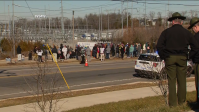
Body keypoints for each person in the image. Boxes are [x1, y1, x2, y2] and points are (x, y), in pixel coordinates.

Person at [156, 12, 199, 107]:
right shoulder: (186, 33)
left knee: (171, 80)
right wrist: (189, 56)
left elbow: (159, 46)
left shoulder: (166, 32)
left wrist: (164, 56)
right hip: (182, 57)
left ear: (172, 22)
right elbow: (195, 47)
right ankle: (182, 102)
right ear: (182, 22)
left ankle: (172, 104)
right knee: (182, 80)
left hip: (170, 58)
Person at [188, 17, 199, 104]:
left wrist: (189, 56)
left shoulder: (195, 37)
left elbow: (195, 49)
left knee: (198, 83)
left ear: (196, 27)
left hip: (198, 62)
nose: (193, 30)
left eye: (192, 28)